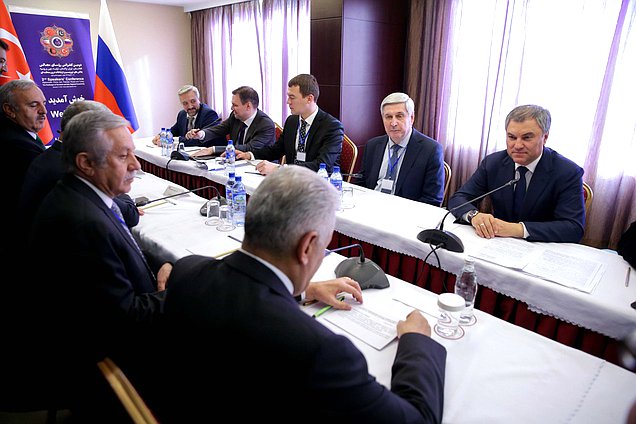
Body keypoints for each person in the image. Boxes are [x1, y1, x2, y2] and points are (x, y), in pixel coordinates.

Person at [147, 166, 446, 423]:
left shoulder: (187, 271)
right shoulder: (322, 352)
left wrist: (302, 291)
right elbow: (417, 418)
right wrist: (416, 342)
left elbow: (240, 300)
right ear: (306, 247)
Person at [25, 110, 172, 419]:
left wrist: (161, 265)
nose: (137, 165)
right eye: (124, 156)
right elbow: (124, 319)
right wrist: (175, 292)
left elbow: (127, 244)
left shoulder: (81, 195)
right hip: (114, 362)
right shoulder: (81, 221)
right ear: (86, 163)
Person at [447, 104, 585, 243]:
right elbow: (459, 198)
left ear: (545, 138)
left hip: (541, 247)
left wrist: (516, 229)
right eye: (512, 137)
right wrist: (474, 216)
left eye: (526, 138)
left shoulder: (568, 172)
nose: (517, 145)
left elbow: (573, 228)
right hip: (497, 244)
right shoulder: (493, 163)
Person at [18, 100, 140, 232]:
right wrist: (118, 188)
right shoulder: (69, 170)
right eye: (122, 156)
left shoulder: (49, 157)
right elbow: (129, 214)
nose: (136, 165)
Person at [236, 74, 343, 175]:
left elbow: (322, 165)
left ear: (309, 99)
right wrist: (249, 155)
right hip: (292, 182)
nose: (288, 102)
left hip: (320, 185)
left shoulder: (331, 127)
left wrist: (279, 169)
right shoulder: (292, 121)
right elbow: (276, 150)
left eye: (292, 97)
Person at [358, 92, 445, 206]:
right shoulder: (373, 145)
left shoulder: (431, 150)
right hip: (371, 208)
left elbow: (432, 200)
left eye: (399, 116)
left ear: (411, 118)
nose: (393, 123)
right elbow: (361, 184)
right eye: (388, 117)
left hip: (406, 215)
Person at [0, 80, 46, 259]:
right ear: (9, 110)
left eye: (44, 103)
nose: (43, 111)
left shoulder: (18, 136)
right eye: (34, 105)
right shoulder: (17, 145)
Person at [187, 85, 276, 154]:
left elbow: (249, 148)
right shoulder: (235, 117)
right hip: (236, 163)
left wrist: (214, 149)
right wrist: (200, 134)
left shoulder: (265, 124)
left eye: (235, 105)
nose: (231, 108)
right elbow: (219, 129)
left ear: (248, 106)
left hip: (261, 169)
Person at [151, 84, 219, 146]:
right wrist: (161, 136)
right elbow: (173, 131)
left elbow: (201, 141)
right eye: (185, 103)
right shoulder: (182, 114)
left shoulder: (209, 114)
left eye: (193, 101)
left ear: (198, 99)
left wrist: (173, 141)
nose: (190, 106)